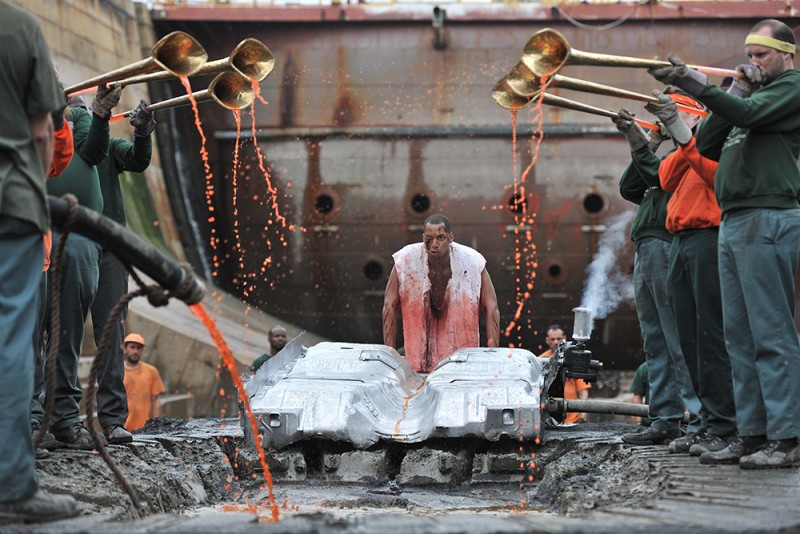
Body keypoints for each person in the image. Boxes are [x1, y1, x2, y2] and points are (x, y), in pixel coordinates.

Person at [649, 18, 800, 468]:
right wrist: (729, 91)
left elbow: (750, 118)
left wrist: (695, 83)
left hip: (767, 215)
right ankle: (752, 433)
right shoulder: (749, 99)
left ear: (786, 55)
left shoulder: (791, 87)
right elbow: (707, 143)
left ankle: (788, 436)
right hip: (736, 220)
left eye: (762, 56)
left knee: (771, 333)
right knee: (739, 337)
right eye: (749, 56)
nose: (753, 63)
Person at [0, 0, 79, 521]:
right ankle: (11, 484)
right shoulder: (18, 26)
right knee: (10, 345)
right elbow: (41, 133)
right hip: (10, 202)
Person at [643, 90, 738, 456]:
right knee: (689, 336)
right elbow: (665, 177)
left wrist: (690, 136)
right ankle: (708, 424)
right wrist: (684, 137)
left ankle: (723, 424)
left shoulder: (721, 136)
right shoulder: (689, 144)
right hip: (681, 239)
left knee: (711, 332)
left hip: (708, 236)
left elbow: (713, 174)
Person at [614, 106, 703, 446]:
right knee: (655, 342)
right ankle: (664, 418)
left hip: (668, 245)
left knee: (678, 338)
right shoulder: (667, 157)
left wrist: (639, 138)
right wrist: (651, 139)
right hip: (648, 248)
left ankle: (698, 420)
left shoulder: (690, 154)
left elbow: (653, 175)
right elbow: (628, 186)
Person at [39, 84, 121, 450]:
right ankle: (27, 418)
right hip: (33, 232)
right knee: (28, 333)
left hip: (81, 237)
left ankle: (64, 418)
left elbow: (95, 151)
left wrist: (97, 115)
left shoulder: (75, 117)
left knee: (68, 333)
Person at [90, 100, 156, 445]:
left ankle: (114, 420)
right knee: (55, 333)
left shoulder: (108, 147)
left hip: (109, 249)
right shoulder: (57, 145)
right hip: (67, 245)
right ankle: (49, 417)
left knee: (111, 335)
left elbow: (138, 160)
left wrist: (142, 130)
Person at [382, 214, 500, 373]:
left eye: (440, 238)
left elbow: (492, 307)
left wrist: (493, 354)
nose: (434, 244)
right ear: (423, 237)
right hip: (419, 362)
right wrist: (390, 355)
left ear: (451, 238)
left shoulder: (472, 261)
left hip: (463, 365)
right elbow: (389, 305)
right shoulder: (405, 260)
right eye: (429, 239)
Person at [538, 324, 590, 424]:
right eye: (552, 339)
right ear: (547, 340)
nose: (556, 342)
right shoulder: (540, 361)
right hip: (549, 422)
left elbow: (583, 391)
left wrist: (583, 417)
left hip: (574, 421)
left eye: (559, 339)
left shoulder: (574, 359)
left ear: (565, 338)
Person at [122, 333, 165, 432]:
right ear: (125, 349)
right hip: (123, 428)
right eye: (132, 347)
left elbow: (156, 400)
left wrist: (155, 425)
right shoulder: (117, 371)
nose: (135, 351)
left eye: (138, 348)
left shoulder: (151, 371)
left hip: (144, 428)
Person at [628, 361, 652, 427]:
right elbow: (637, 396)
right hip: (649, 422)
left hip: (674, 421)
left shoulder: (678, 366)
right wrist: (638, 420)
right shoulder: (645, 368)